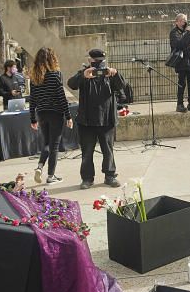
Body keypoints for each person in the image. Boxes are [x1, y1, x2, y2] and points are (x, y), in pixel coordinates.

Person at [67, 48, 125, 189]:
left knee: (108, 150)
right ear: (90, 60)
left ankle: (110, 176)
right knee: (87, 152)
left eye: (101, 62)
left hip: (106, 119)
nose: (98, 65)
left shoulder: (109, 74)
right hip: (87, 121)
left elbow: (122, 86)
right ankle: (87, 178)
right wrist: (83, 75)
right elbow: (71, 84)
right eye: (96, 61)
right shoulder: (85, 73)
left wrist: (115, 74)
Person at [28, 47, 73, 184]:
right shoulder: (55, 75)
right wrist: (68, 116)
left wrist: (32, 118)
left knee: (47, 143)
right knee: (54, 146)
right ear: (52, 59)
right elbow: (61, 97)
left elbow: (32, 99)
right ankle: (51, 176)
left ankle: (40, 167)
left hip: (41, 113)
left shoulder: (34, 77)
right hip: (55, 113)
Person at [169, 13, 190, 112]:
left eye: (185, 20)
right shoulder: (174, 33)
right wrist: (188, 33)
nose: (185, 22)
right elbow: (179, 44)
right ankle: (179, 105)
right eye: (183, 20)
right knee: (181, 83)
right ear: (177, 22)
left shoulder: (186, 32)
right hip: (181, 62)